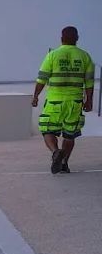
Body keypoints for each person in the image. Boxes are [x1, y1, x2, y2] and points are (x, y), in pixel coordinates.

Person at [33, 25, 95, 174]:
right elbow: (90, 83)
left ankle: (55, 152)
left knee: (47, 130)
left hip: (55, 100)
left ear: (61, 39)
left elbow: (42, 79)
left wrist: (35, 96)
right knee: (69, 134)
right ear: (77, 39)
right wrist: (89, 101)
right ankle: (64, 163)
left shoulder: (53, 55)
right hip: (75, 102)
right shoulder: (85, 56)